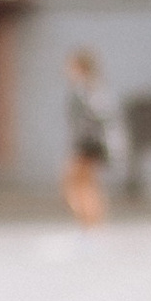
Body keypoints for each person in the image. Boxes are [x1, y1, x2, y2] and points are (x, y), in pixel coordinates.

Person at [61, 49, 114, 227]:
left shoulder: (84, 89)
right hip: (90, 143)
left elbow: (93, 117)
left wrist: (80, 143)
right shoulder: (93, 87)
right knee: (85, 182)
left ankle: (89, 223)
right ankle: (90, 222)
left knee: (79, 182)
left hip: (86, 143)